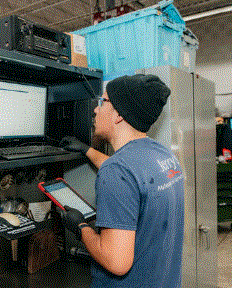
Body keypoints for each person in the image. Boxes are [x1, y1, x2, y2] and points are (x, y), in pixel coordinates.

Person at [60, 74, 185, 288]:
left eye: (103, 101)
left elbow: (116, 262)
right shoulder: (162, 155)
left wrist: (81, 227)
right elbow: (132, 176)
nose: (96, 109)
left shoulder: (117, 171)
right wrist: (86, 149)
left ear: (118, 114)